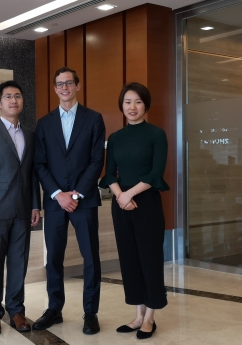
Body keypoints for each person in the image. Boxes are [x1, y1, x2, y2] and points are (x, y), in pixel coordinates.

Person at [33, 67, 106, 335]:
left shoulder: (94, 119)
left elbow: (97, 160)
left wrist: (76, 194)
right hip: (54, 202)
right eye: (60, 84)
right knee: (54, 257)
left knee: (91, 258)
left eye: (69, 83)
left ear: (77, 86)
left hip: (83, 201)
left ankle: (90, 312)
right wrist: (58, 194)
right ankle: (54, 309)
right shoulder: (45, 123)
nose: (64, 87)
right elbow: (40, 164)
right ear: (55, 89)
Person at [99, 82, 169, 340]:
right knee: (129, 259)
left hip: (146, 202)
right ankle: (138, 315)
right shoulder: (115, 138)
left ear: (146, 105)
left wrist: (129, 193)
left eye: (138, 102)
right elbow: (109, 174)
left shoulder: (156, 134)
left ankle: (150, 317)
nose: (132, 107)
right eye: (127, 102)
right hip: (122, 205)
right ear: (122, 105)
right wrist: (120, 195)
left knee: (149, 259)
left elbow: (155, 173)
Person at [0, 80, 41, 335]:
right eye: (8, 97)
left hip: (24, 211)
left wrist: (36, 205)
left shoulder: (30, 135)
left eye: (17, 96)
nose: (13, 100)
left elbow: (32, 174)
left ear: (22, 101)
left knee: (18, 263)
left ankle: (16, 311)